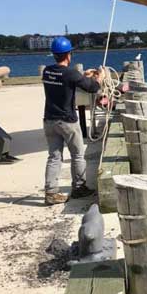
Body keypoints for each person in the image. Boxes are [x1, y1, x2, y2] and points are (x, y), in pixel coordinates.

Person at [42, 36, 105, 206]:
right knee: (78, 155)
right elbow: (92, 87)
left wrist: (83, 76)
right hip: (67, 121)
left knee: (54, 157)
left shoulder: (47, 71)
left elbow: (67, 81)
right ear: (69, 55)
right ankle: (79, 188)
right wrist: (100, 76)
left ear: (54, 54)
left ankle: (50, 193)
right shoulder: (70, 73)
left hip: (49, 120)